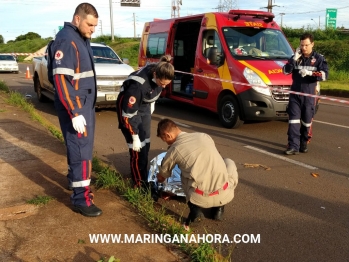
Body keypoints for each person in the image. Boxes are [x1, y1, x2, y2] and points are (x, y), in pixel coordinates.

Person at [47, 3, 102, 217]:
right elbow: (61, 80)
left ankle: (76, 183)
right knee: (81, 151)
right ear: (77, 19)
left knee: (79, 149)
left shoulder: (80, 38)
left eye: (95, 26)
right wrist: (74, 112)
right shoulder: (67, 40)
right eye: (90, 24)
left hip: (83, 105)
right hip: (77, 107)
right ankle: (82, 199)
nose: (92, 29)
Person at [156, 119, 238, 230]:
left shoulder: (174, 150)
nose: (166, 142)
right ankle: (218, 210)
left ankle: (196, 211)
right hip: (225, 193)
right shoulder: (204, 136)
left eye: (164, 139)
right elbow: (217, 155)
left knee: (184, 174)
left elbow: (162, 177)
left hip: (199, 198)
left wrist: (158, 181)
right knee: (228, 162)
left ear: (167, 135)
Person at [116, 55, 174, 189]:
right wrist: (134, 136)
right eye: (162, 83)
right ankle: (138, 183)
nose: (164, 86)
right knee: (138, 148)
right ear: (155, 75)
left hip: (144, 107)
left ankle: (143, 173)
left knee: (146, 144)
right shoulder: (138, 86)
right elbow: (127, 114)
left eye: (167, 84)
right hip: (129, 109)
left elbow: (154, 92)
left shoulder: (161, 73)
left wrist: (151, 104)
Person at [283, 33, 328, 155]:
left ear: (312, 44)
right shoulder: (296, 57)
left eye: (306, 45)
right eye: (301, 45)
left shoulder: (318, 59)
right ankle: (293, 145)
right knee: (293, 120)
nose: (303, 48)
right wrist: (293, 60)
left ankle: (304, 141)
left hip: (309, 95)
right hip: (295, 94)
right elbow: (285, 71)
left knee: (307, 121)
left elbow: (325, 75)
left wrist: (310, 73)